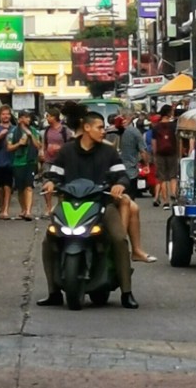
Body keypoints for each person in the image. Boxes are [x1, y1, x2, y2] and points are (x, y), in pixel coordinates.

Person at [37, 107, 138, 309]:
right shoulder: (67, 150)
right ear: (87, 127)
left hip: (101, 204)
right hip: (69, 205)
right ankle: (53, 292)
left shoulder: (108, 152)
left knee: (119, 238)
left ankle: (127, 292)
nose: (103, 131)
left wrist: (120, 184)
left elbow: (122, 175)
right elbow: (54, 174)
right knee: (49, 240)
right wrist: (50, 183)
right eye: (100, 128)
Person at [8, 109, 42, 221]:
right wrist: (19, 143)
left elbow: (38, 146)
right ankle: (23, 209)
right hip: (18, 162)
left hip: (30, 161)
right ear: (20, 118)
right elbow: (9, 147)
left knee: (29, 186)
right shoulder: (13, 132)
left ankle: (28, 211)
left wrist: (30, 135)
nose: (28, 119)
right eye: (26, 117)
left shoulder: (33, 131)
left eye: (29, 117)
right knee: (20, 188)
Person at [152, 105, 179, 206]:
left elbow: (154, 143)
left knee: (162, 178)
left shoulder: (156, 127)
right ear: (168, 113)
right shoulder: (174, 126)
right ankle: (173, 194)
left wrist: (155, 155)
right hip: (172, 152)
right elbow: (177, 140)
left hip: (160, 154)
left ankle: (165, 201)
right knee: (173, 176)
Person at [118, 115, 146, 199]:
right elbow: (143, 151)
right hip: (130, 171)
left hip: (113, 171)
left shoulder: (107, 131)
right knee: (129, 199)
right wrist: (146, 164)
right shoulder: (135, 132)